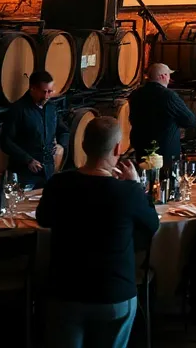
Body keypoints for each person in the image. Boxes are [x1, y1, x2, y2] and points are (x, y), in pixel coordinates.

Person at [36, 116, 160, 348]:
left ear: (83, 145)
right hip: (114, 294)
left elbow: (43, 219)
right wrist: (136, 186)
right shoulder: (128, 192)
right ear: (117, 148)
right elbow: (152, 225)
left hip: (65, 291)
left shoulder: (58, 184)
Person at [0, 70, 69, 188]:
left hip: (48, 171)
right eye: (44, 92)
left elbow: (64, 131)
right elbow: (6, 142)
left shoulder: (51, 108)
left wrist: (61, 145)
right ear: (32, 89)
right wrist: (27, 159)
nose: (47, 96)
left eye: (50, 91)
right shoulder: (18, 110)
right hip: (25, 173)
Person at [127, 63, 196, 168]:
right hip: (165, 151)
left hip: (141, 148)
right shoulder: (168, 96)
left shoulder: (136, 94)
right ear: (163, 76)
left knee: (144, 179)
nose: (169, 79)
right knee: (165, 181)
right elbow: (190, 120)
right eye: (169, 75)